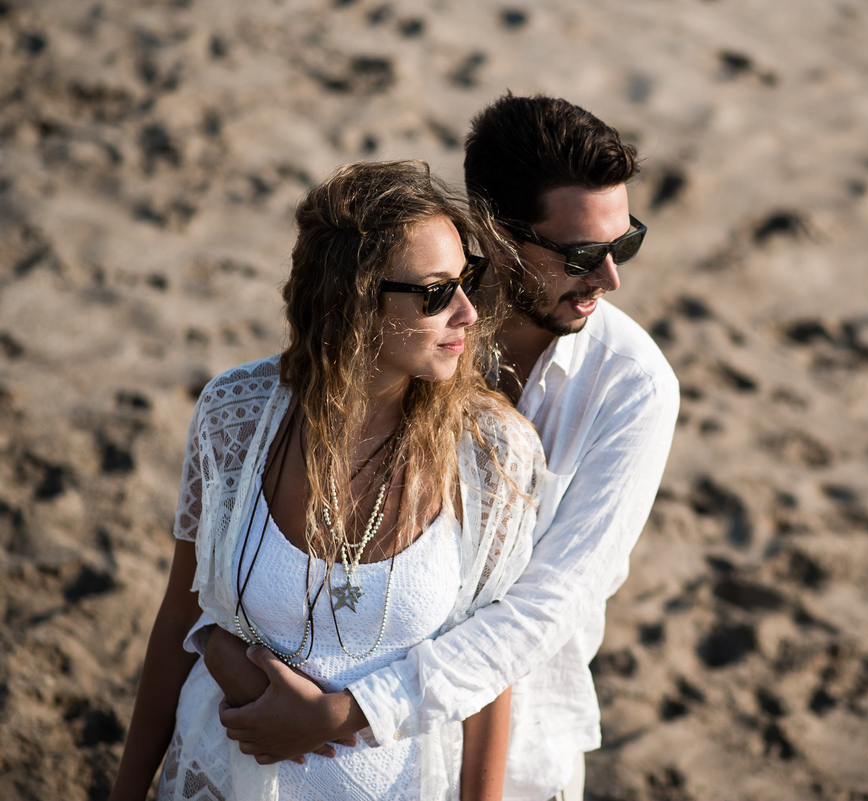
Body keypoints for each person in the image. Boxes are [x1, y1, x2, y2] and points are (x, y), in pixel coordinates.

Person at [208, 94, 680, 800]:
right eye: (583, 253)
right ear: (493, 230)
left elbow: (546, 606)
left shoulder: (634, 388)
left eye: (626, 242)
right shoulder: (411, 313)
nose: (610, 278)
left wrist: (352, 714)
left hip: (512, 755)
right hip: (305, 739)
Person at [109, 160, 543, 801]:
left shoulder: (491, 451)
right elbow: (181, 613)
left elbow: (489, 666)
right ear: (354, 299)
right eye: (434, 292)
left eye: (468, 279)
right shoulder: (237, 412)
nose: (468, 312)